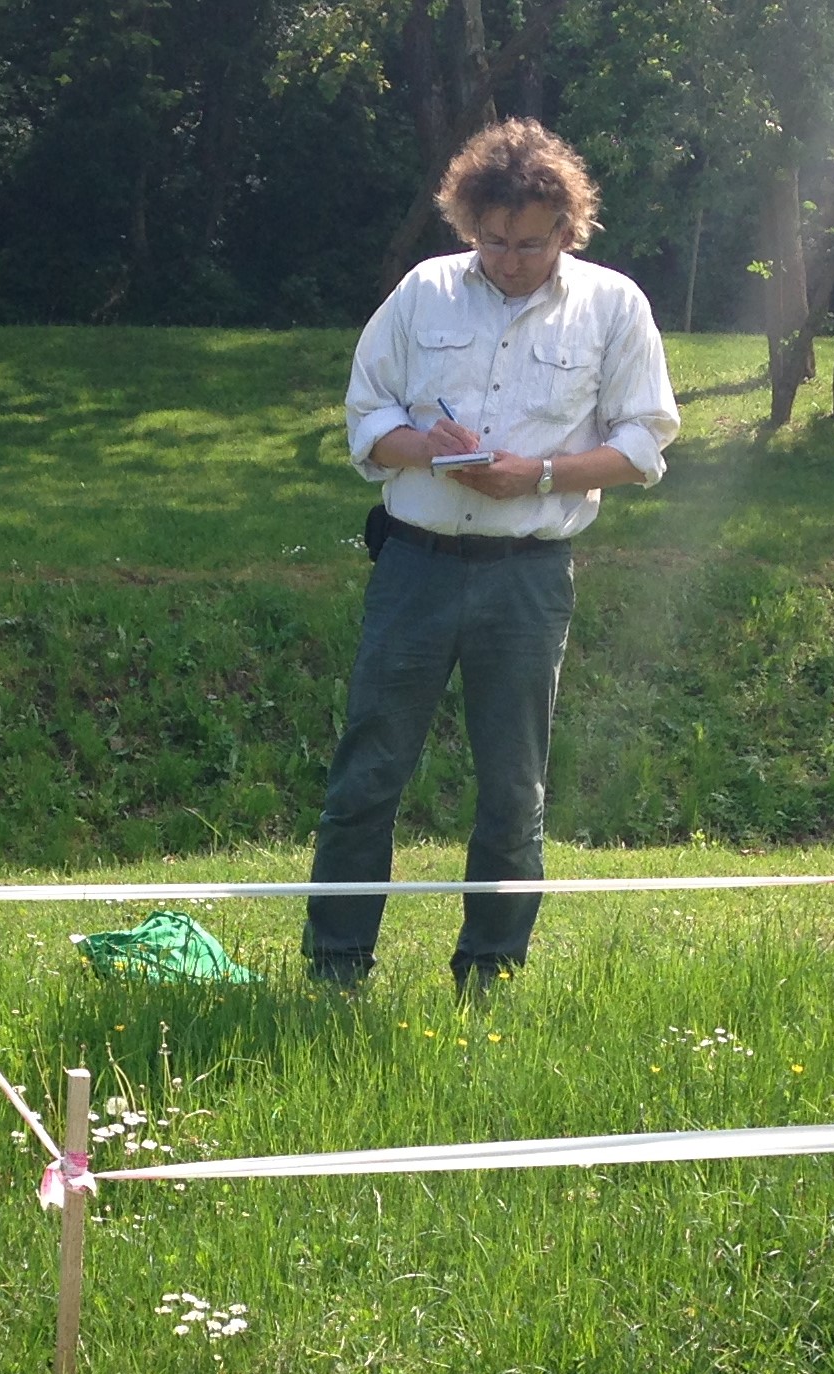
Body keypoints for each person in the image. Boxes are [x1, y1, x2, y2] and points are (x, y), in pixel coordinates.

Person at [306, 119, 680, 993]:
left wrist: (540, 473)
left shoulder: (613, 305)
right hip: (413, 568)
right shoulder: (422, 292)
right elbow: (365, 422)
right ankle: (334, 965)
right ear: (467, 223)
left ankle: (490, 974)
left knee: (514, 789)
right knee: (368, 773)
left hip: (527, 577)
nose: (508, 260)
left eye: (529, 242)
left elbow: (642, 447)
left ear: (567, 227)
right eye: (492, 240)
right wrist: (425, 449)